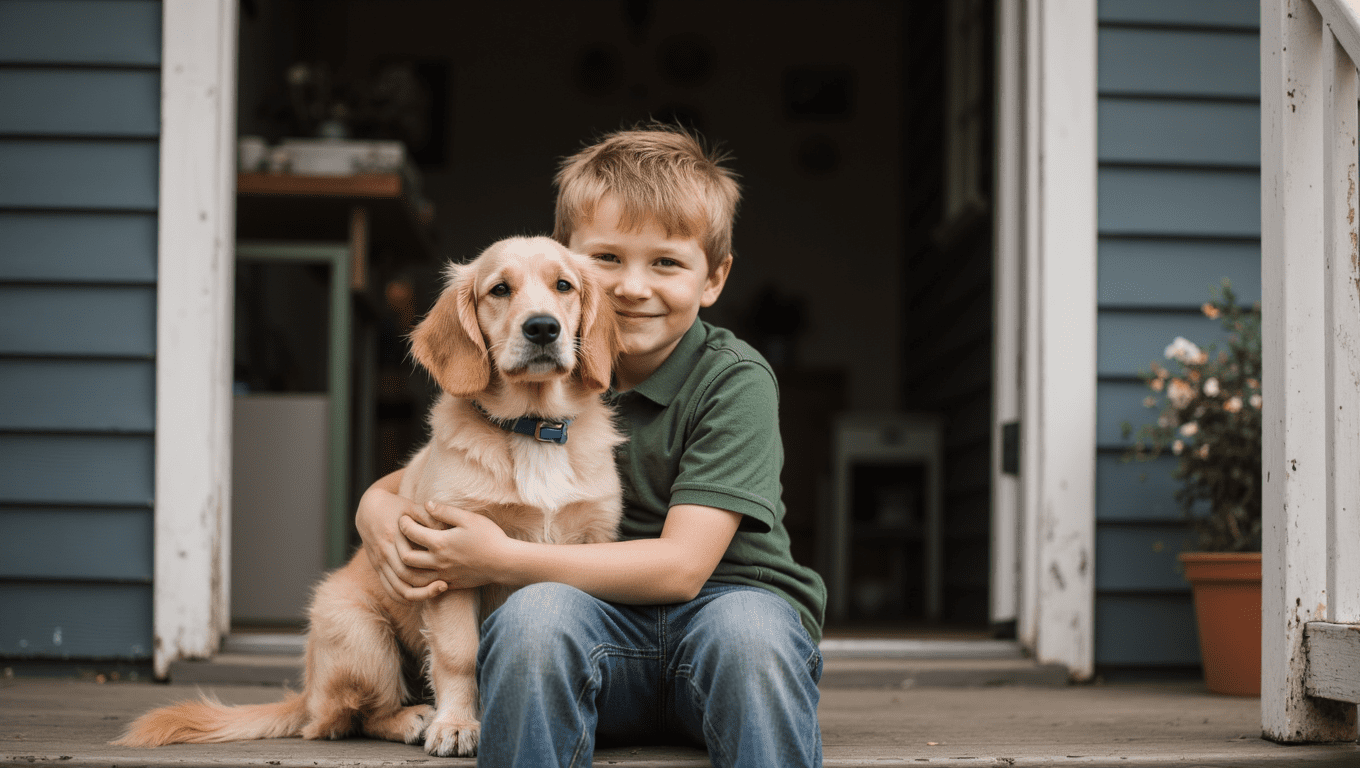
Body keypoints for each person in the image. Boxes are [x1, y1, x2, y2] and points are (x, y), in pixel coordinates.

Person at [355, 124, 826, 768]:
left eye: (665, 262)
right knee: (531, 621)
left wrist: (497, 557)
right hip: (601, 630)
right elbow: (432, 478)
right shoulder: (543, 383)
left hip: (725, 622)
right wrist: (373, 509)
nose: (631, 288)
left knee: (749, 632)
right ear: (571, 257)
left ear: (713, 279)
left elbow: (683, 569)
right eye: (607, 260)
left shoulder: (732, 381)